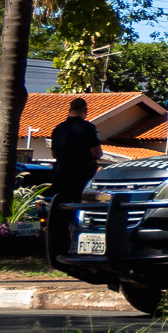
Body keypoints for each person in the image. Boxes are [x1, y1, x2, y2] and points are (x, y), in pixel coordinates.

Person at [45, 98, 103, 267]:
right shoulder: (88, 128)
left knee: (61, 216)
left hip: (61, 176)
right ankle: (80, 248)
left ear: (70, 109)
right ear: (85, 110)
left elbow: (54, 154)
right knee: (82, 214)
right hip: (81, 176)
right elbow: (97, 153)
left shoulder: (58, 129)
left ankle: (60, 250)